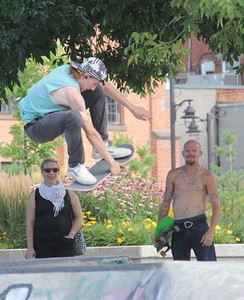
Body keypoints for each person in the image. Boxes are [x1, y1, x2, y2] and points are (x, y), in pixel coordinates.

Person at [18, 57, 151, 185]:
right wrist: (112, 163)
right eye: (93, 83)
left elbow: (104, 86)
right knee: (74, 117)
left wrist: (132, 108)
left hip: (50, 113)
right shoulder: (72, 94)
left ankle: (102, 146)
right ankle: (75, 166)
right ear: (86, 75)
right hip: (36, 127)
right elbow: (90, 133)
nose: (92, 88)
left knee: (99, 91)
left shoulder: (71, 70)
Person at [156, 139, 221, 261]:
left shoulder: (206, 176)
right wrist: (159, 231)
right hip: (178, 228)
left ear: (200, 153)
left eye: (194, 150)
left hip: (199, 226)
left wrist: (210, 232)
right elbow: (166, 203)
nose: (190, 153)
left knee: (209, 269)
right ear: (183, 153)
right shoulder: (173, 174)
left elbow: (216, 206)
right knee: (180, 270)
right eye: (187, 150)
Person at [25, 158, 83, 259]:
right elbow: (30, 223)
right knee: (45, 274)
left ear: (58, 171)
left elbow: (79, 217)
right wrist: (30, 247)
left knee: (67, 273)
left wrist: (71, 235)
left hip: (65, 242)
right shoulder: (35, 195)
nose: (51, 173)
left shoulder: (69, 193)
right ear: (42, 172)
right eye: (47, 170)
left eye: (55, 170)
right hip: (42, 243)